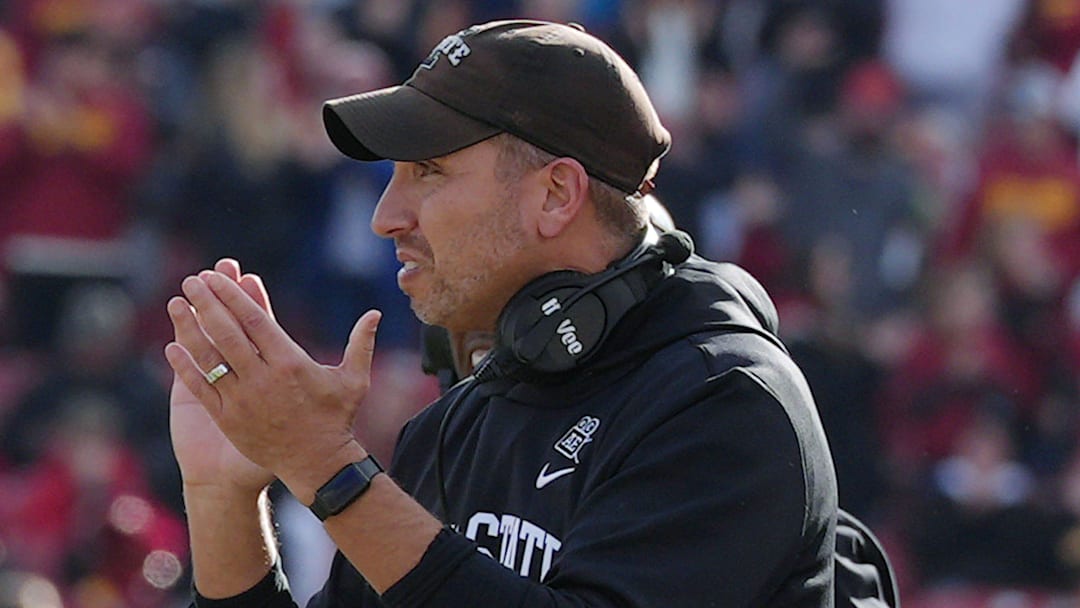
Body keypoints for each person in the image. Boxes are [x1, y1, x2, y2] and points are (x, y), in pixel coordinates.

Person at [165, 20, 838, 607]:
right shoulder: (459, 422)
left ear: (556, 194)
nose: (385, 216)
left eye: (428, 171)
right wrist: (223, 500)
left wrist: (326, 467)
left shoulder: (725, 403)